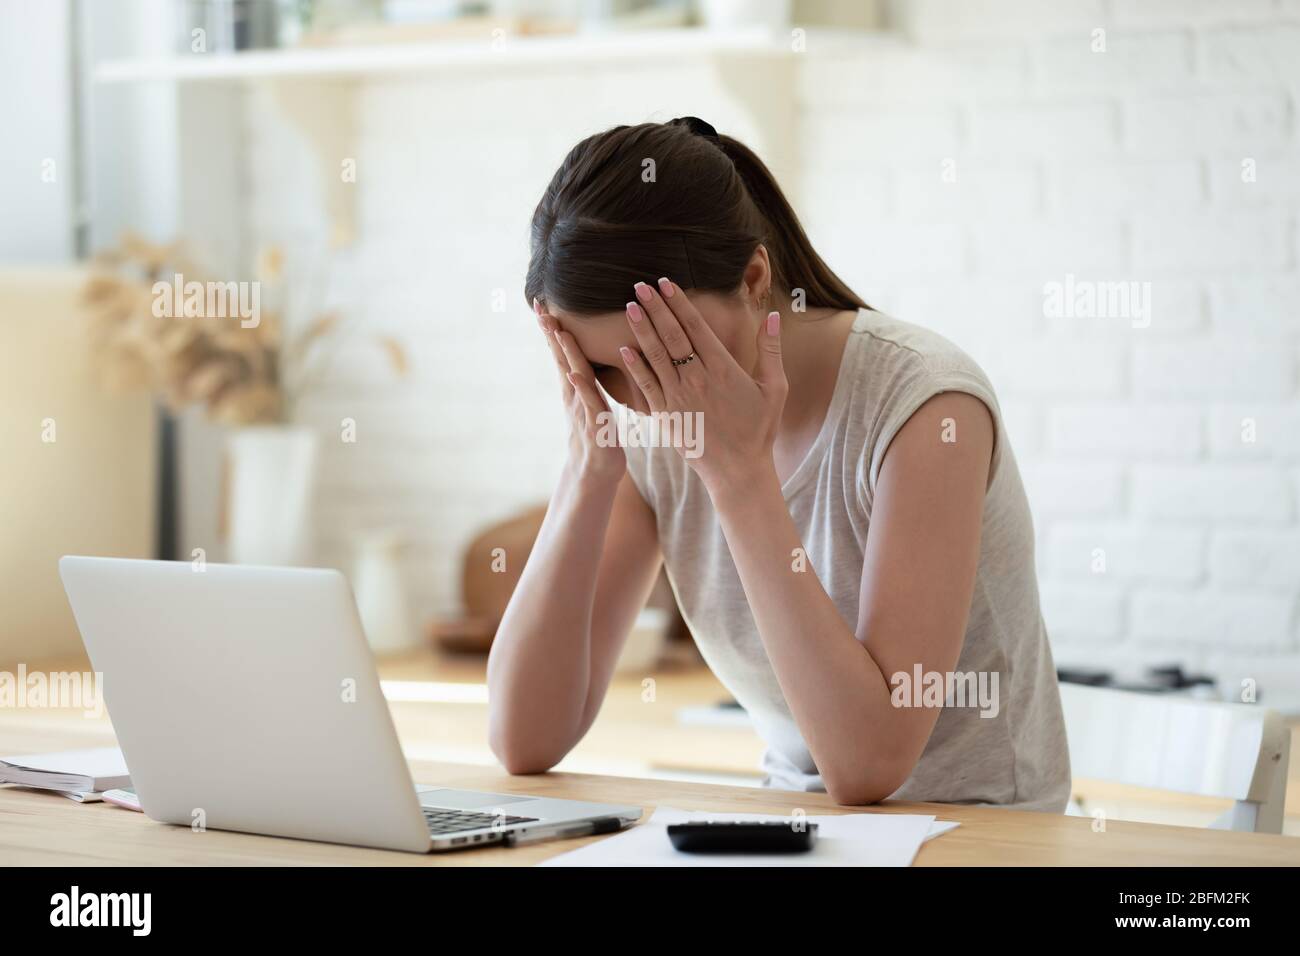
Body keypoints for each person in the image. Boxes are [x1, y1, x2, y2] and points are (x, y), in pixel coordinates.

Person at [486, 117, 1070, 810]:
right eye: (604, 367)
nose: (648, 399)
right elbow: (524, 740)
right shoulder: (646, 430)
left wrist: (739, 479)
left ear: (755, 277)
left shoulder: (924, 407)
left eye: (667, 356)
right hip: (797, 827)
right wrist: (588, 466)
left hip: (984, 835)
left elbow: (868, 766)